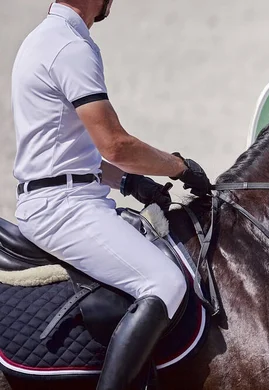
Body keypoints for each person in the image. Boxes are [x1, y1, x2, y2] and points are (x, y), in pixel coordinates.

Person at [11, 1, 211, 388]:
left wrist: (129, 183)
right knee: (165, 283)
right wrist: (179, 166)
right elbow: (115, 145)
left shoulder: (43, 39)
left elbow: (67, 151)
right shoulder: (70, 47)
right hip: (63, 209)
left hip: (63, 196)